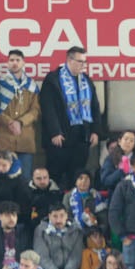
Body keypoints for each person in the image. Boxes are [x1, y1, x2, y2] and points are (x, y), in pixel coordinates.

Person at [40, 47, 103, 191]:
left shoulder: (86, 80)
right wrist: (55, 131)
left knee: (76, 176)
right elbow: (48, 108)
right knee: (55, 176)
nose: (83, 65)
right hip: (61, 137)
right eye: (80, 61)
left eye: (85, 62)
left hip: (81, 137)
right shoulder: (53, 79)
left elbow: (95, 106)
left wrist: (95, 131)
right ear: (69, 60)